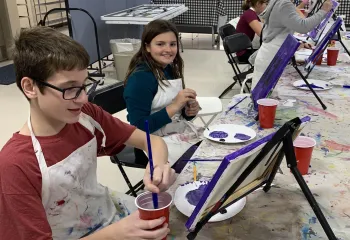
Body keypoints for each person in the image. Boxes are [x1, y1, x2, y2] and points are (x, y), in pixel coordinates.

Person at [0, 26, 176, 240]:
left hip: (107, 212)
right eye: (70, 88)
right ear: (30, 87)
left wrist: (158, 167)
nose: (83, 98)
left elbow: (153, 142)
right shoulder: (16, 165)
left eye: (84, 85)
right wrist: (116, 234)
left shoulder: (86, 117)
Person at [124, 20, 202, 167]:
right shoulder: (140, 79)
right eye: (160, 44)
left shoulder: (168, 68)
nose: (168, 49)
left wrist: (188, 111)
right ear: (147, 47)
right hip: (151, 141)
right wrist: (174, 106)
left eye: (172, 44)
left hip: (174, 131)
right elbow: (139, 128)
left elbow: (174, 112)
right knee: (201, 168)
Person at [251, 0, 333, 89]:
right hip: (273, 55)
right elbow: (303, 26)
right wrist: (323, 11)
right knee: (264, 96)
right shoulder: (283, 4)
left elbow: (292, 24)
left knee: (264, 95)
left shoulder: (279, 2)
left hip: (270, 53)